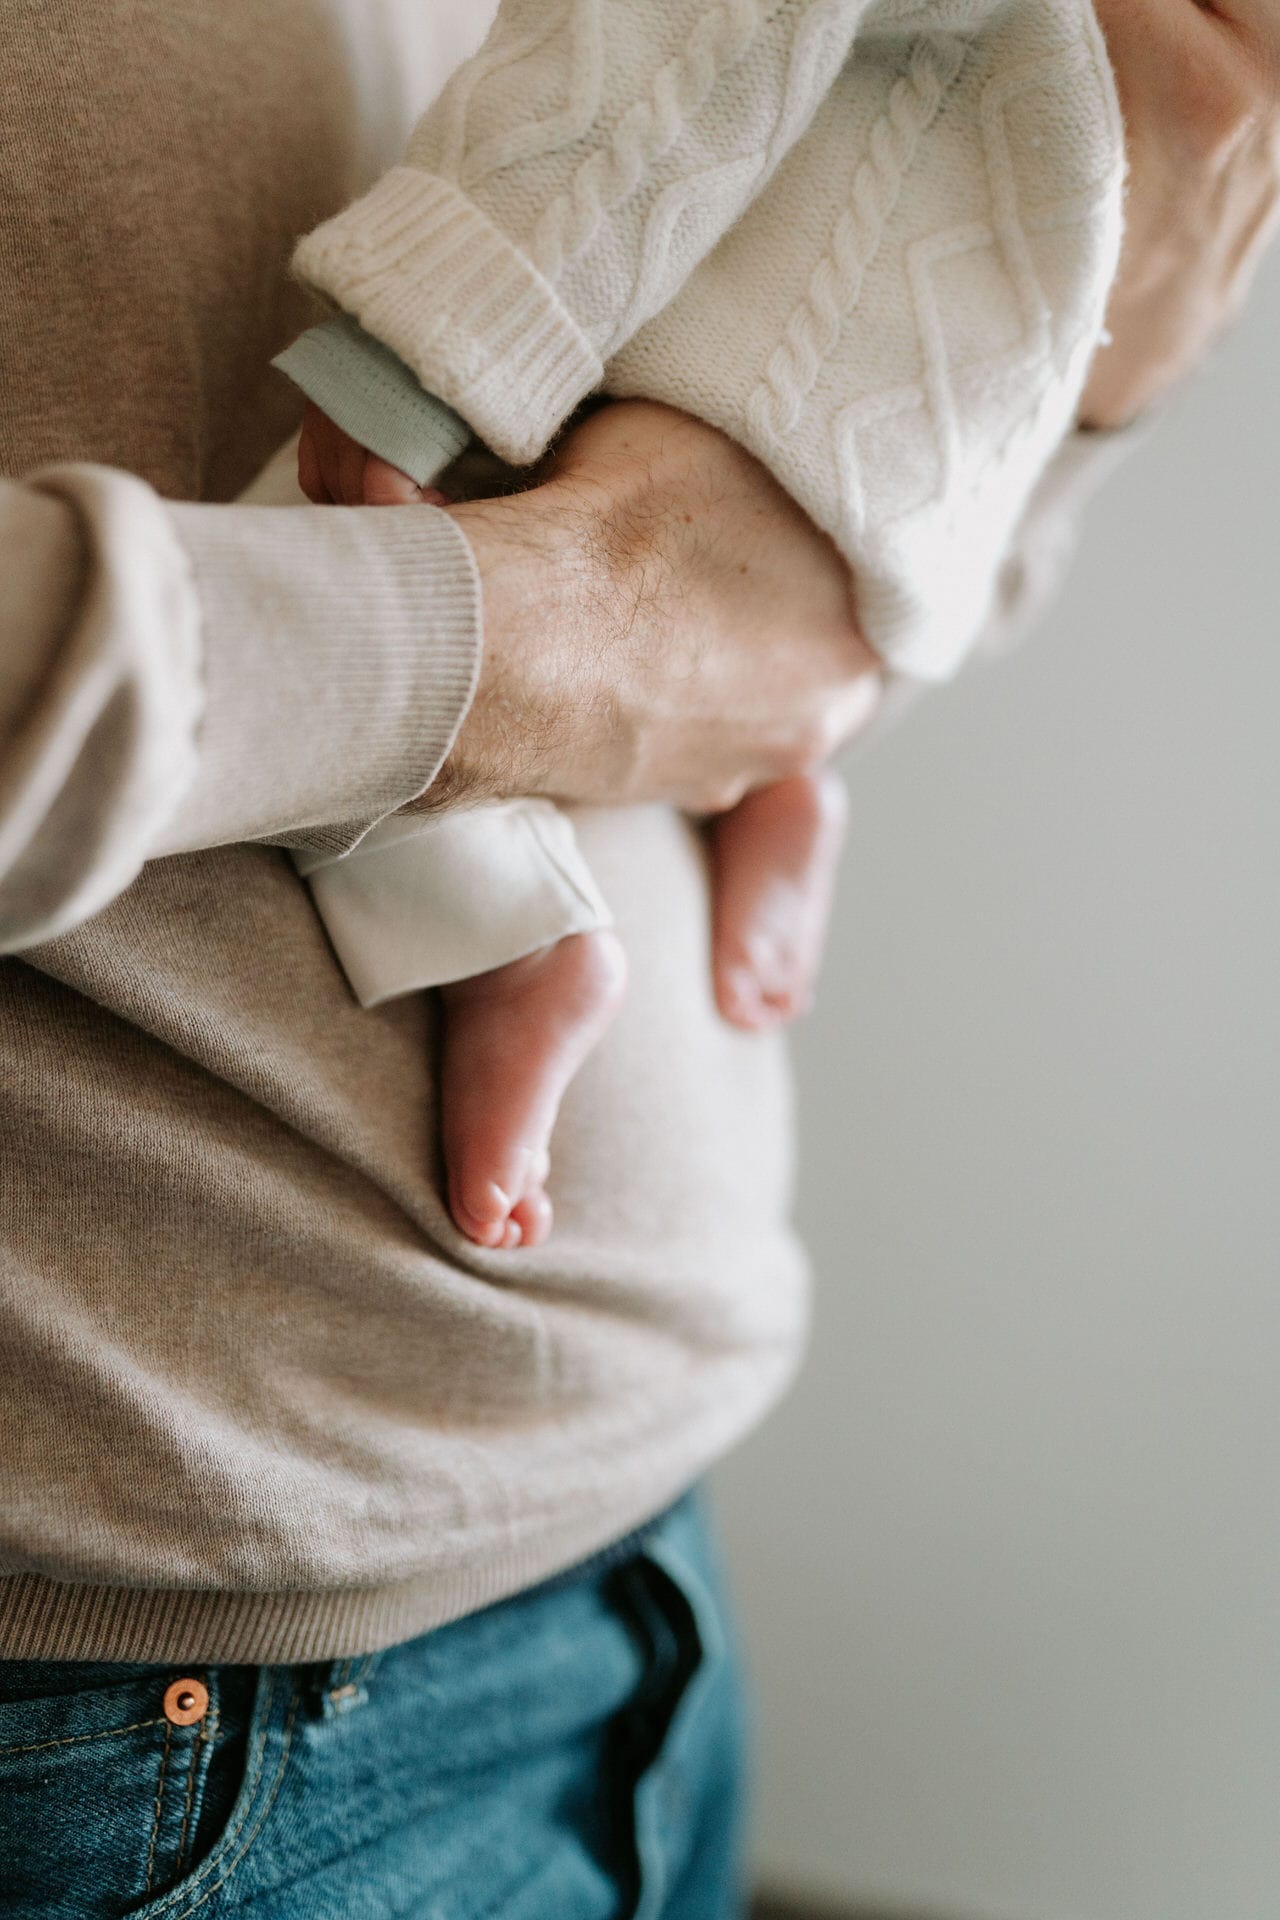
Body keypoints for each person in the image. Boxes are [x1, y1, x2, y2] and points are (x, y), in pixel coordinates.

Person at [0, 1, 1276, 1915]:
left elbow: (723, 553)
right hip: (165, 1694)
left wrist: (1104, 331)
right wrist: (496, 611)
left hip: (632, 1573)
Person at [272, 0, 1127, 1258]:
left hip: (763, 343)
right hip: (912, 417)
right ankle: (773, 782)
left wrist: (412, 355)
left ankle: (511, 931)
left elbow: (663, 43)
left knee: (321, 600)